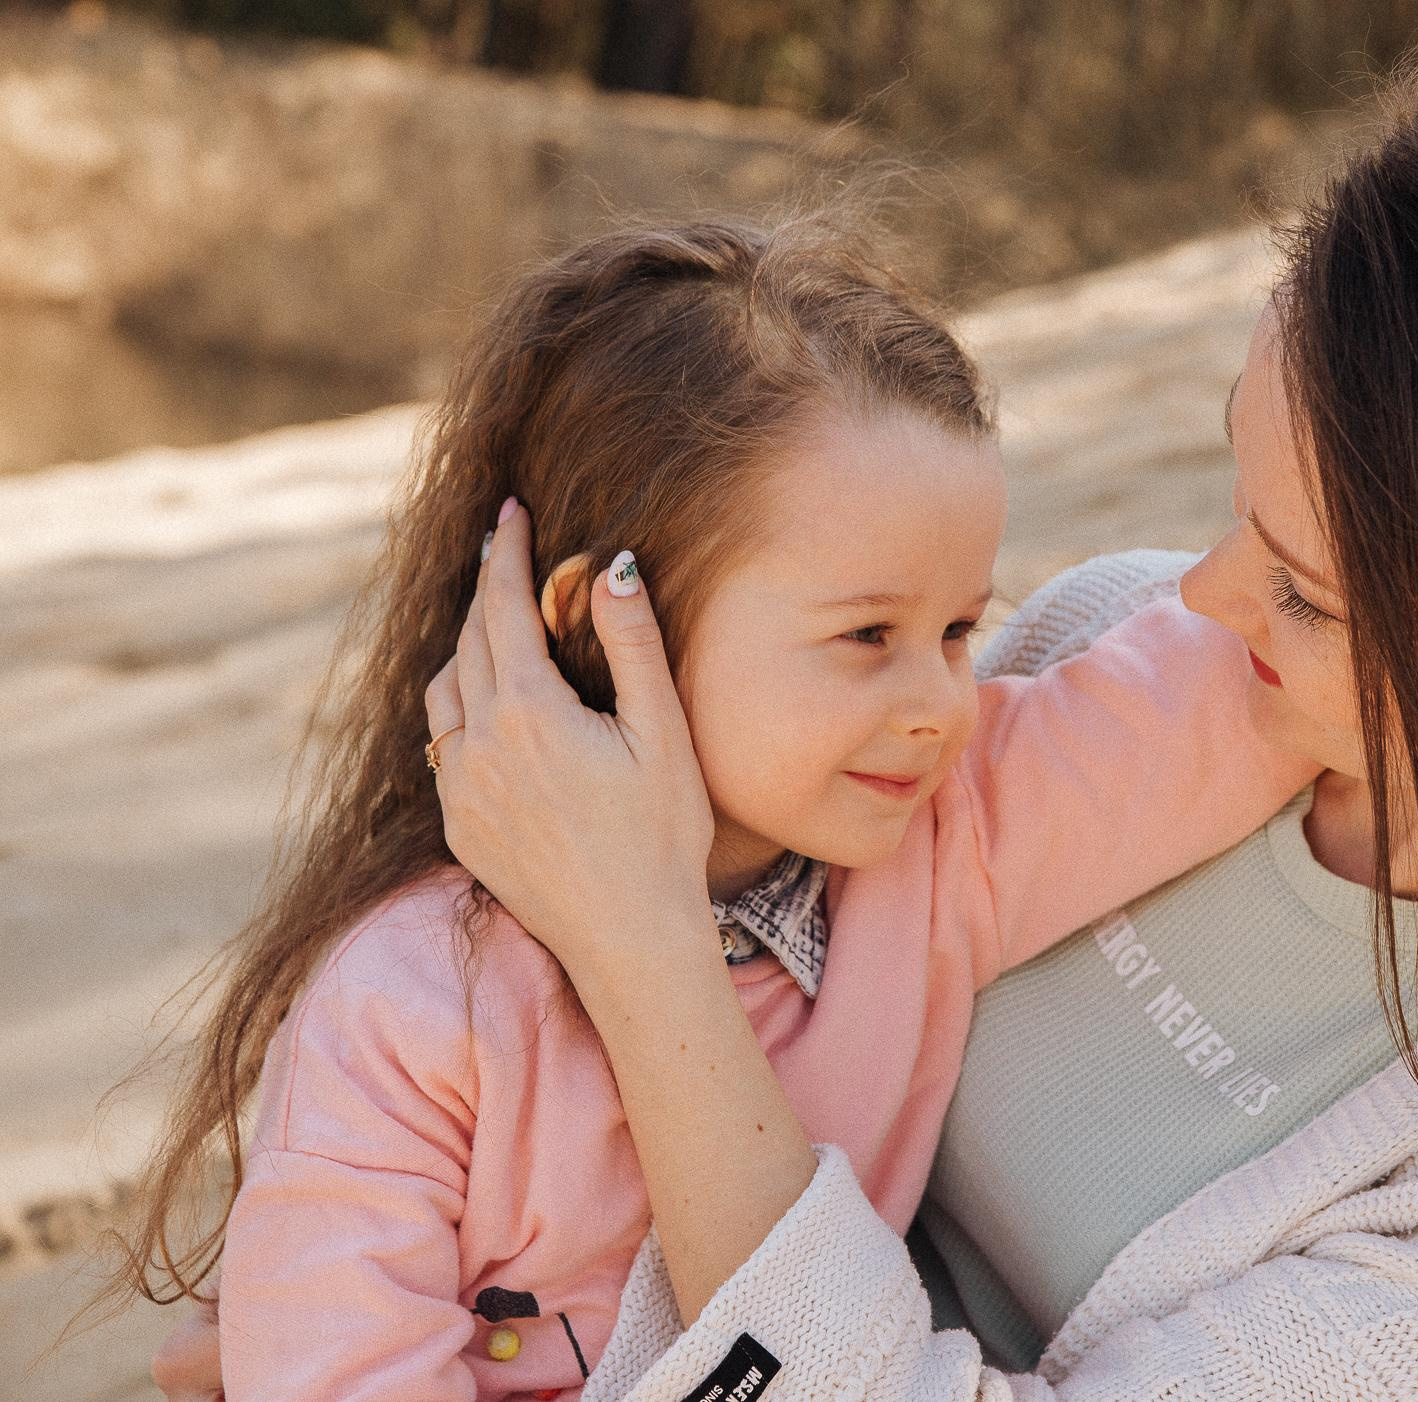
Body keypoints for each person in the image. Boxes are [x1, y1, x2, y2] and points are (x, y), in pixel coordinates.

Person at [418, 51, 1418, 1400]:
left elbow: (669, 968)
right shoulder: (1127, 660)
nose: (1203, 593)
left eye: (1304, 591)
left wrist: (640, 946)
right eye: (1242, 503)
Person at [127, 220, 1314, 1400]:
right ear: (606, 618)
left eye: (958, 629)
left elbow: (1226, 700)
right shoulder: (414, 1003)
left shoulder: (938, 853)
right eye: (867, 635)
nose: (939, 705)